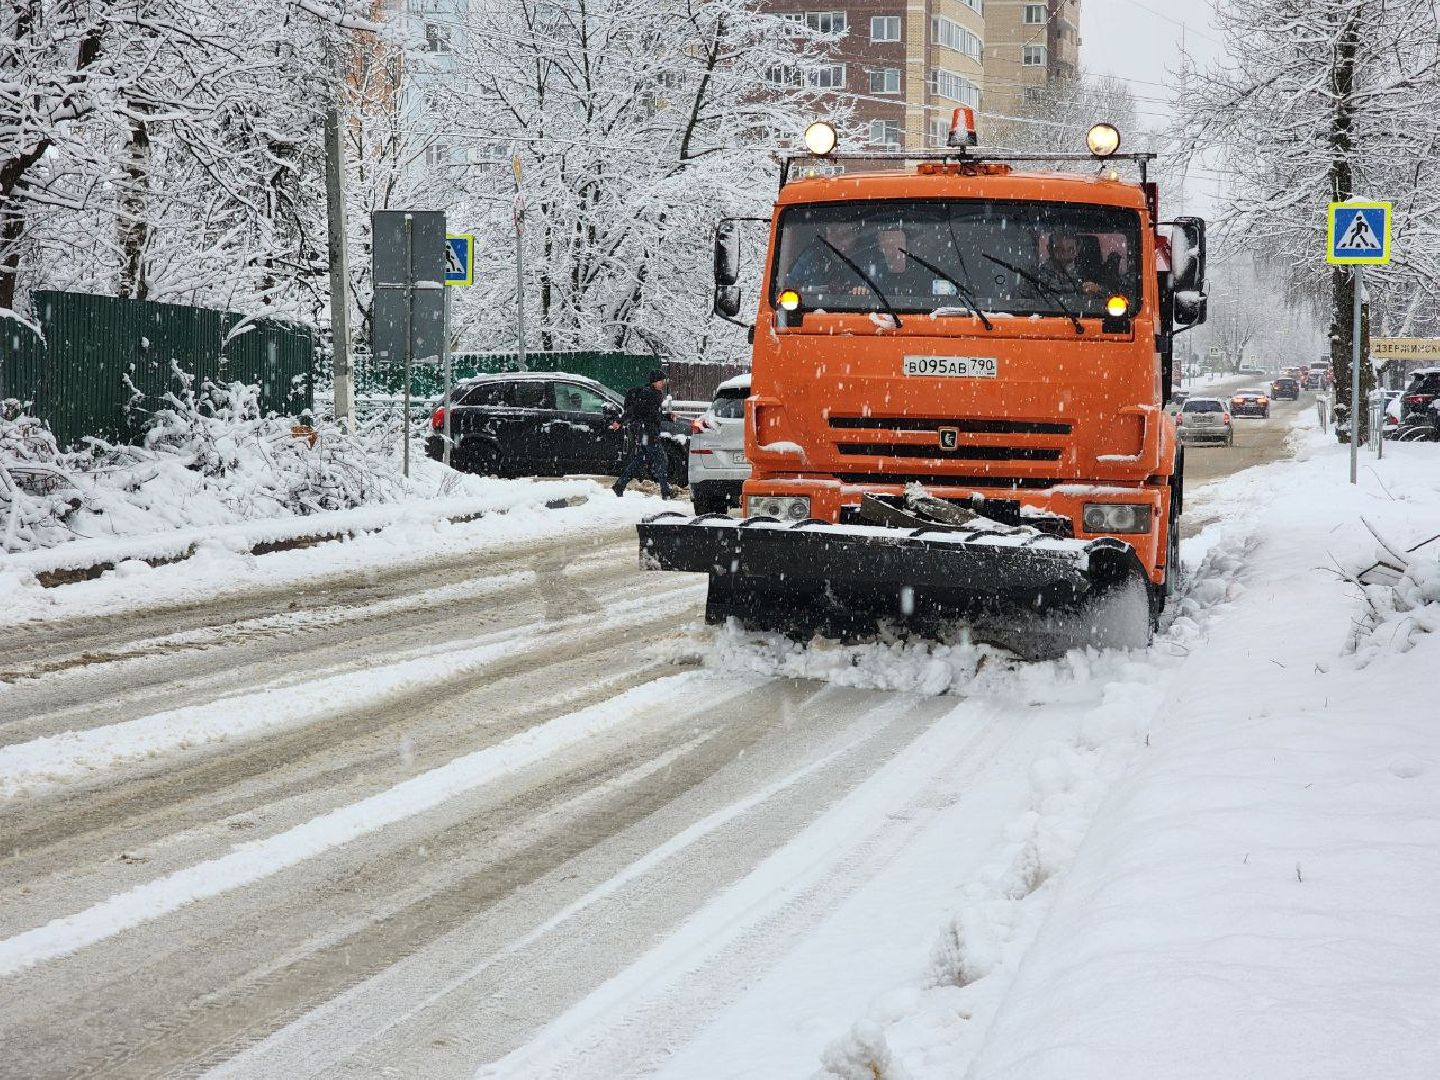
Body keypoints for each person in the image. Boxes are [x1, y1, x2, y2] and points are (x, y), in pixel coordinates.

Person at [611, 370, 677, 498]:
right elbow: (634, 410)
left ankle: (620, 485)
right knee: (661, 460)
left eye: (663, 381)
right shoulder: (648, 394)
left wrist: (668, 416)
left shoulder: (655, 394)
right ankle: (665, 492)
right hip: (648, 432)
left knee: (640, 461)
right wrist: (620, 421)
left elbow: (654, 415)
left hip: (648, 432)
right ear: (654, 382)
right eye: (661, 381)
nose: (663, 383)